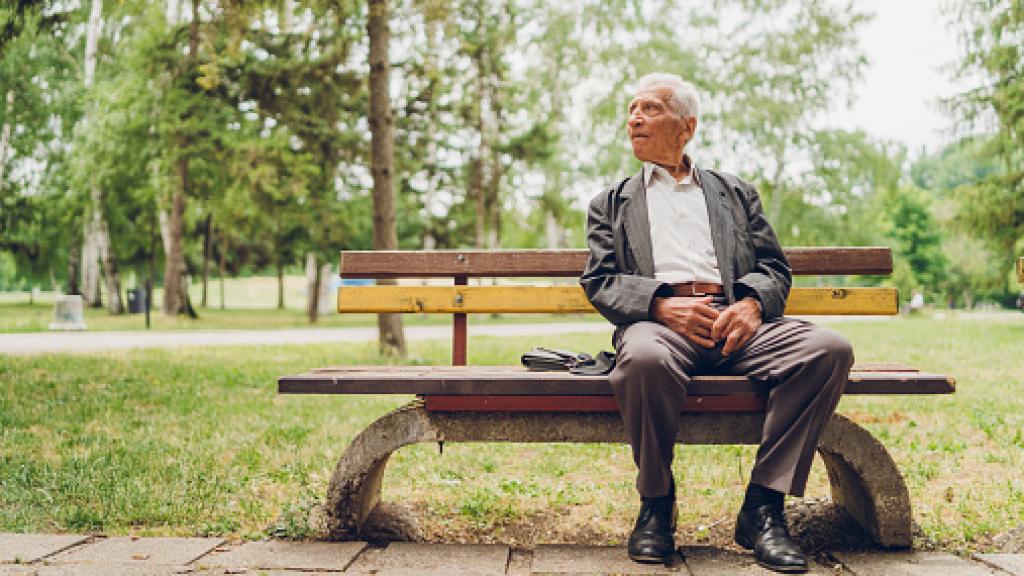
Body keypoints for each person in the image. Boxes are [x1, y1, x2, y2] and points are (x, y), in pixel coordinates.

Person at [580, 72, 854, 574]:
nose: (634, 118)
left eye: (650, 108)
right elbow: (600, 280)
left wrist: (750, 305)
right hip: (660, 328)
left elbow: (774, 268)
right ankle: (656, 504)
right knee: (643, 357)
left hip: (737, 325)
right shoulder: (610, 203)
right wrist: (660, 305)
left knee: (828, 349)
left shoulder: (736, 193)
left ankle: (763, 507)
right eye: (632, 109)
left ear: (686, 127)